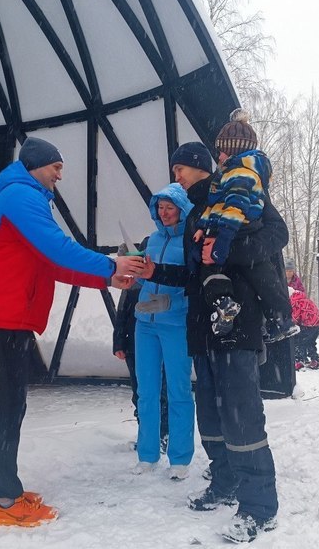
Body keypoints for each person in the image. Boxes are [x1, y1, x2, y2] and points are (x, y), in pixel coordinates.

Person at [0, 137, 144, 527]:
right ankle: (6, 500)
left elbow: (52, 264)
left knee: (4, 404)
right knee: (6, 404)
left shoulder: (26, 199)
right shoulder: (21, 198)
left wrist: (109, 278)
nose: (61, 173)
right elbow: (58, 248)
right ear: (34, 165)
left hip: (3, 318)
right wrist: (112, 264)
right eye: (55, 166)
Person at [140, 140, 287, 543]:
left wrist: (226, 248)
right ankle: (225, 482)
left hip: (237, 321)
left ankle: (259, 506)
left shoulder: (239, 194)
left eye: (181, 168)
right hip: (202, 326)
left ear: (205, 166)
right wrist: (161, 272)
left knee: (241, 413)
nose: (176, 175)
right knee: (211, 412)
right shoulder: (193, 216)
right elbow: (194, 276)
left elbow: (277, 237)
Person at [194, 109, 298, 343]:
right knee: (258, 273)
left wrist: (224, 246)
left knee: (256, 271)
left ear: (231, 150)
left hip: (240, 231)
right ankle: (278, 316)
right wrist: (203, 226)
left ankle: (275, 315)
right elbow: (217, 207)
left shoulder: (239, 176)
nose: (218, 156)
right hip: (235, 233)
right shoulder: (230, 177)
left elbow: (236, 211)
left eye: (221, 151)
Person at [130, 183, 194, 479]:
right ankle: (147, 454)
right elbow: (145, 279)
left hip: (175, 325)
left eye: (170, 208)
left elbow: (191, 281)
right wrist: (134, 275)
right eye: (160, 207)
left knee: (179, 391)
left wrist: (172, 299)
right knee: (147, 392)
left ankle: (180, 459)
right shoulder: (151, 240)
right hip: (146, 325)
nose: (164, 213)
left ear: (182, 210)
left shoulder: (190, 243)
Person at [112, 268, 169, 452]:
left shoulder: (167, 280)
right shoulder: (133, 282)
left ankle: (163, 435)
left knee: (162, 392)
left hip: (160, 345)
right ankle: (146, 435)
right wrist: (119, 342)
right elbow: (121, 313)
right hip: (134, 346)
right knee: (140, 393)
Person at [289, 287, 319, 370]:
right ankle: (315, 359)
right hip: (318, 323)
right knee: (310, 342)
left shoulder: (295, 302)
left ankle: (298, 361)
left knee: (298, 342)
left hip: (309, 324)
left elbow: (295, 317)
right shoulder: (305, 299)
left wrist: (291, 323)